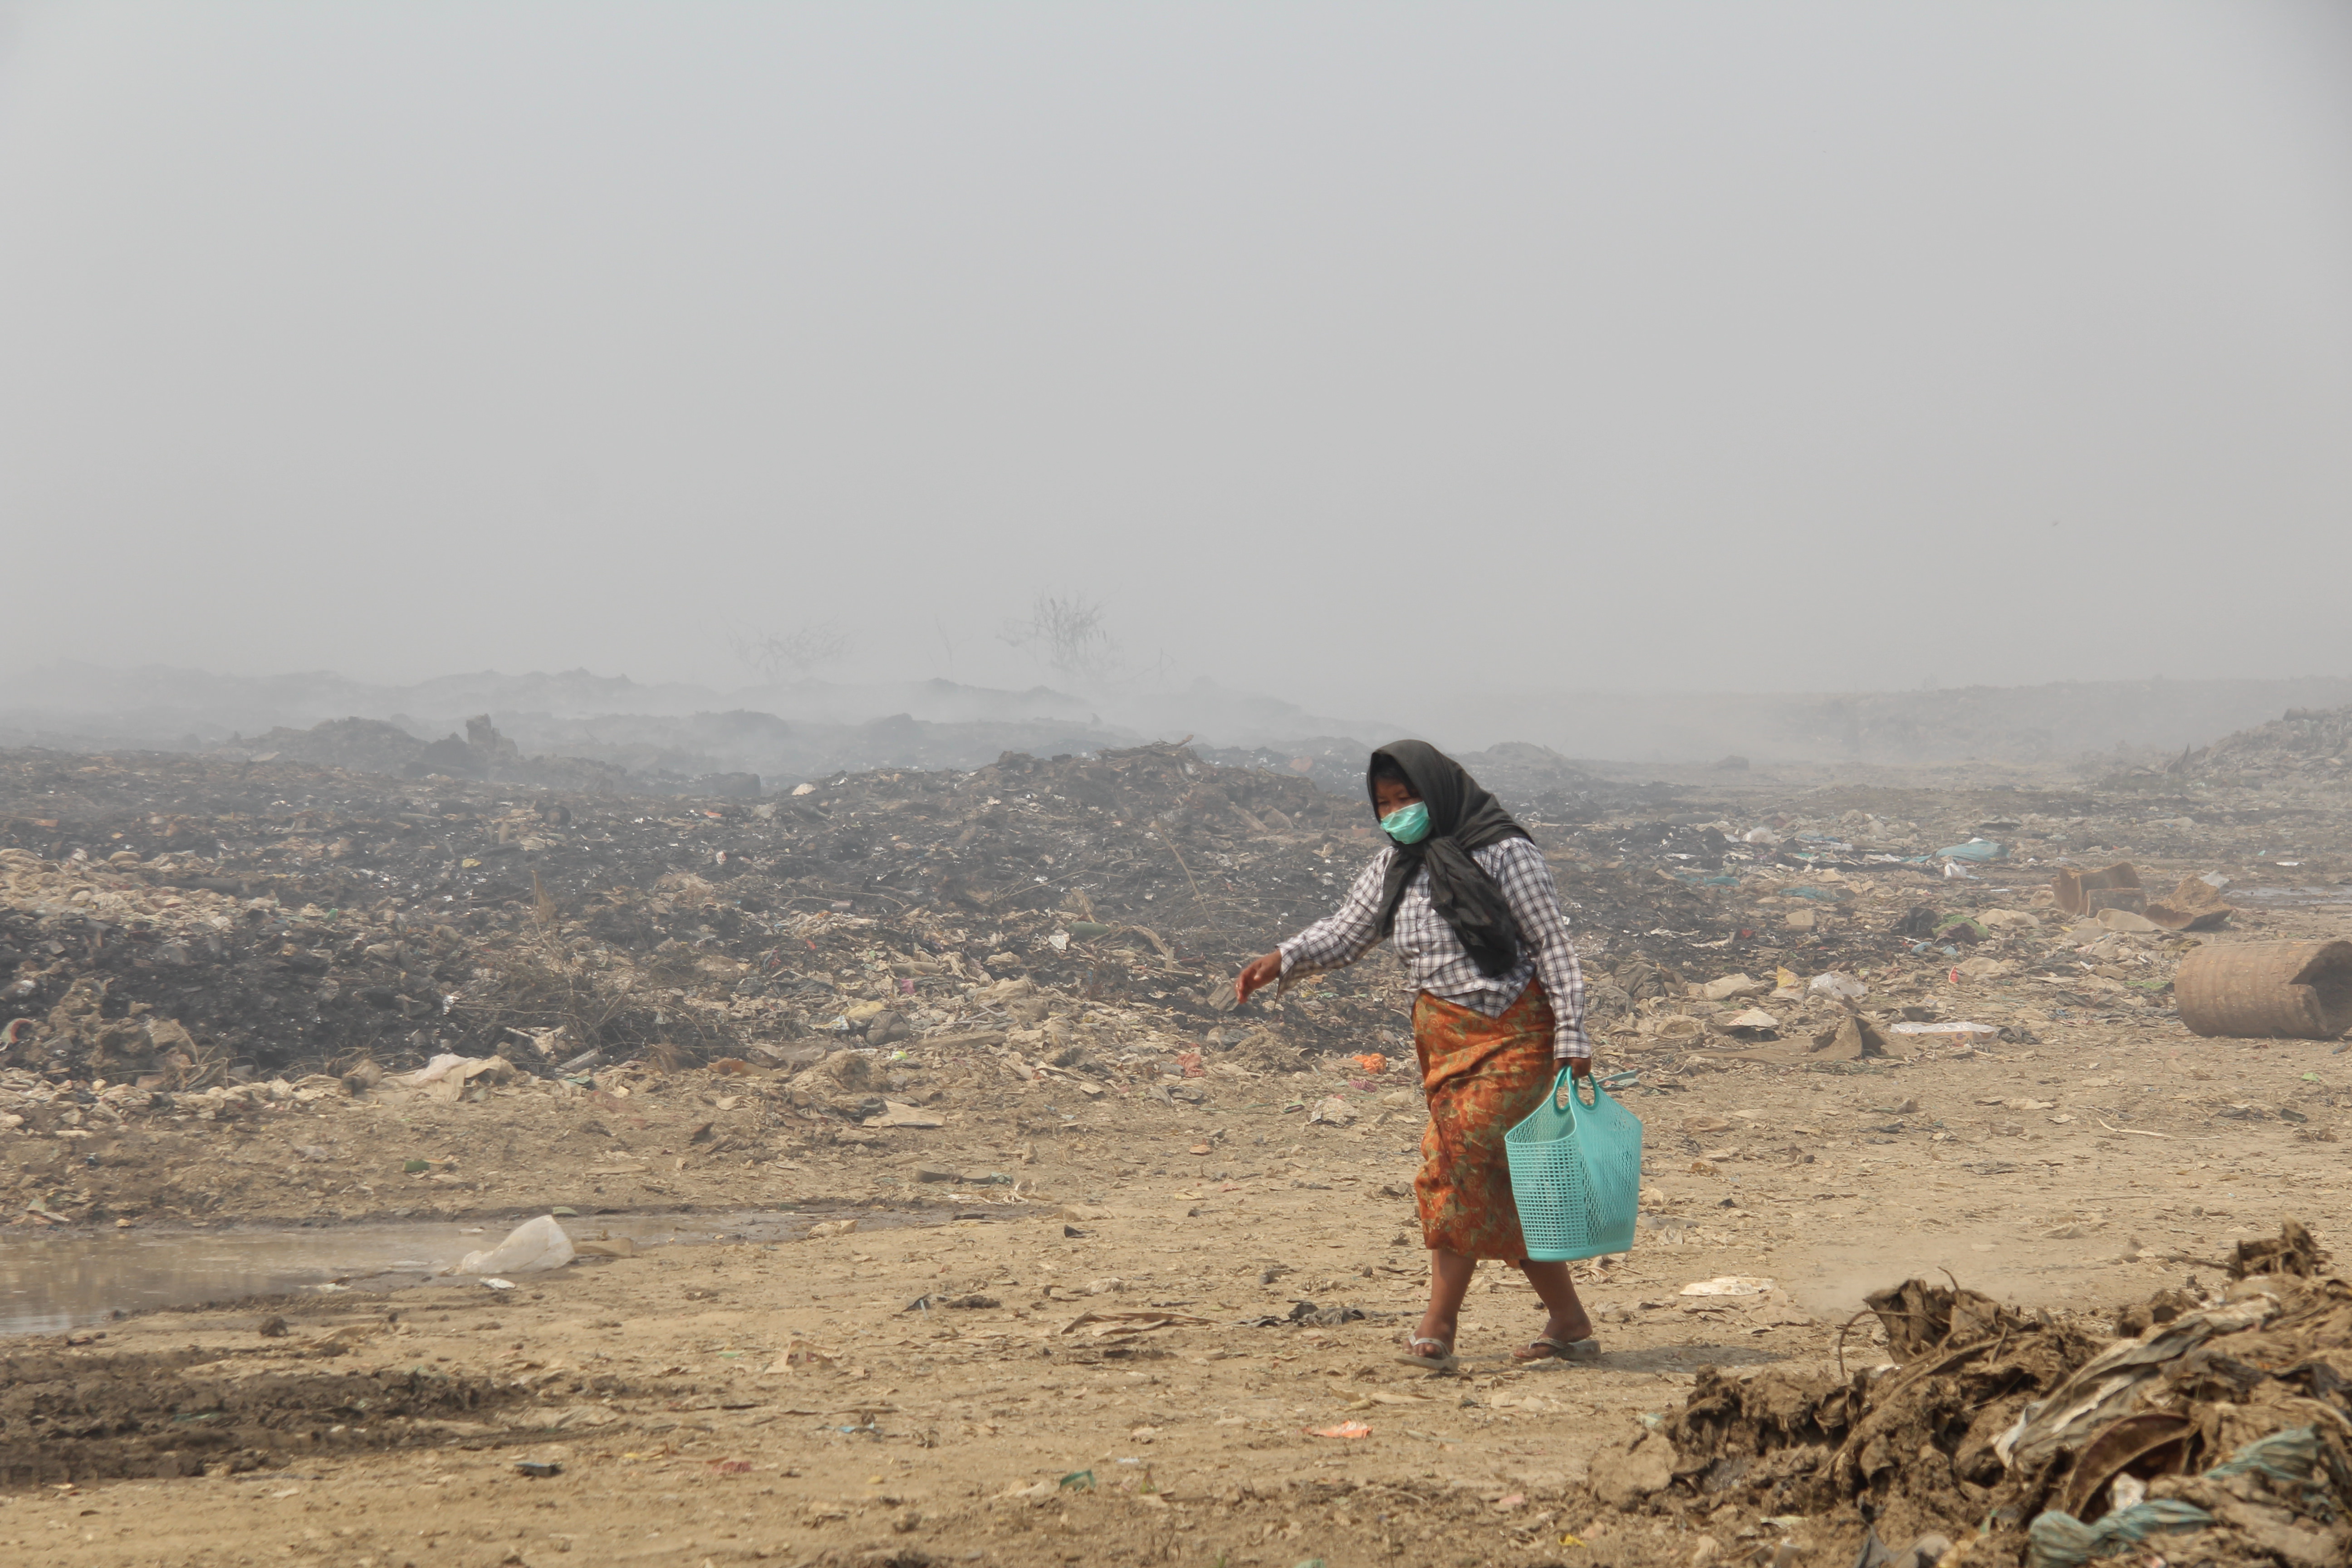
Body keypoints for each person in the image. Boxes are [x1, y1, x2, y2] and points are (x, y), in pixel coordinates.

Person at [1235, 740, 1598, 1369]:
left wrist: (1574, 1035)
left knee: (1459, 1162)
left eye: (1408, 798)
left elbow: (1551, 945)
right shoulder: (1393, 870)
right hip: (1444, 1044)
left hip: (1515, 1034)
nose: (1399, 812)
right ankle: (1568, 1322)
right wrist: (1282, 959)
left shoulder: (1504, 853)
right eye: (1386, 804)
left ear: (1441, 791)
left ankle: (1438, 1327)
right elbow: (1347, 931)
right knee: (1491, 1174)